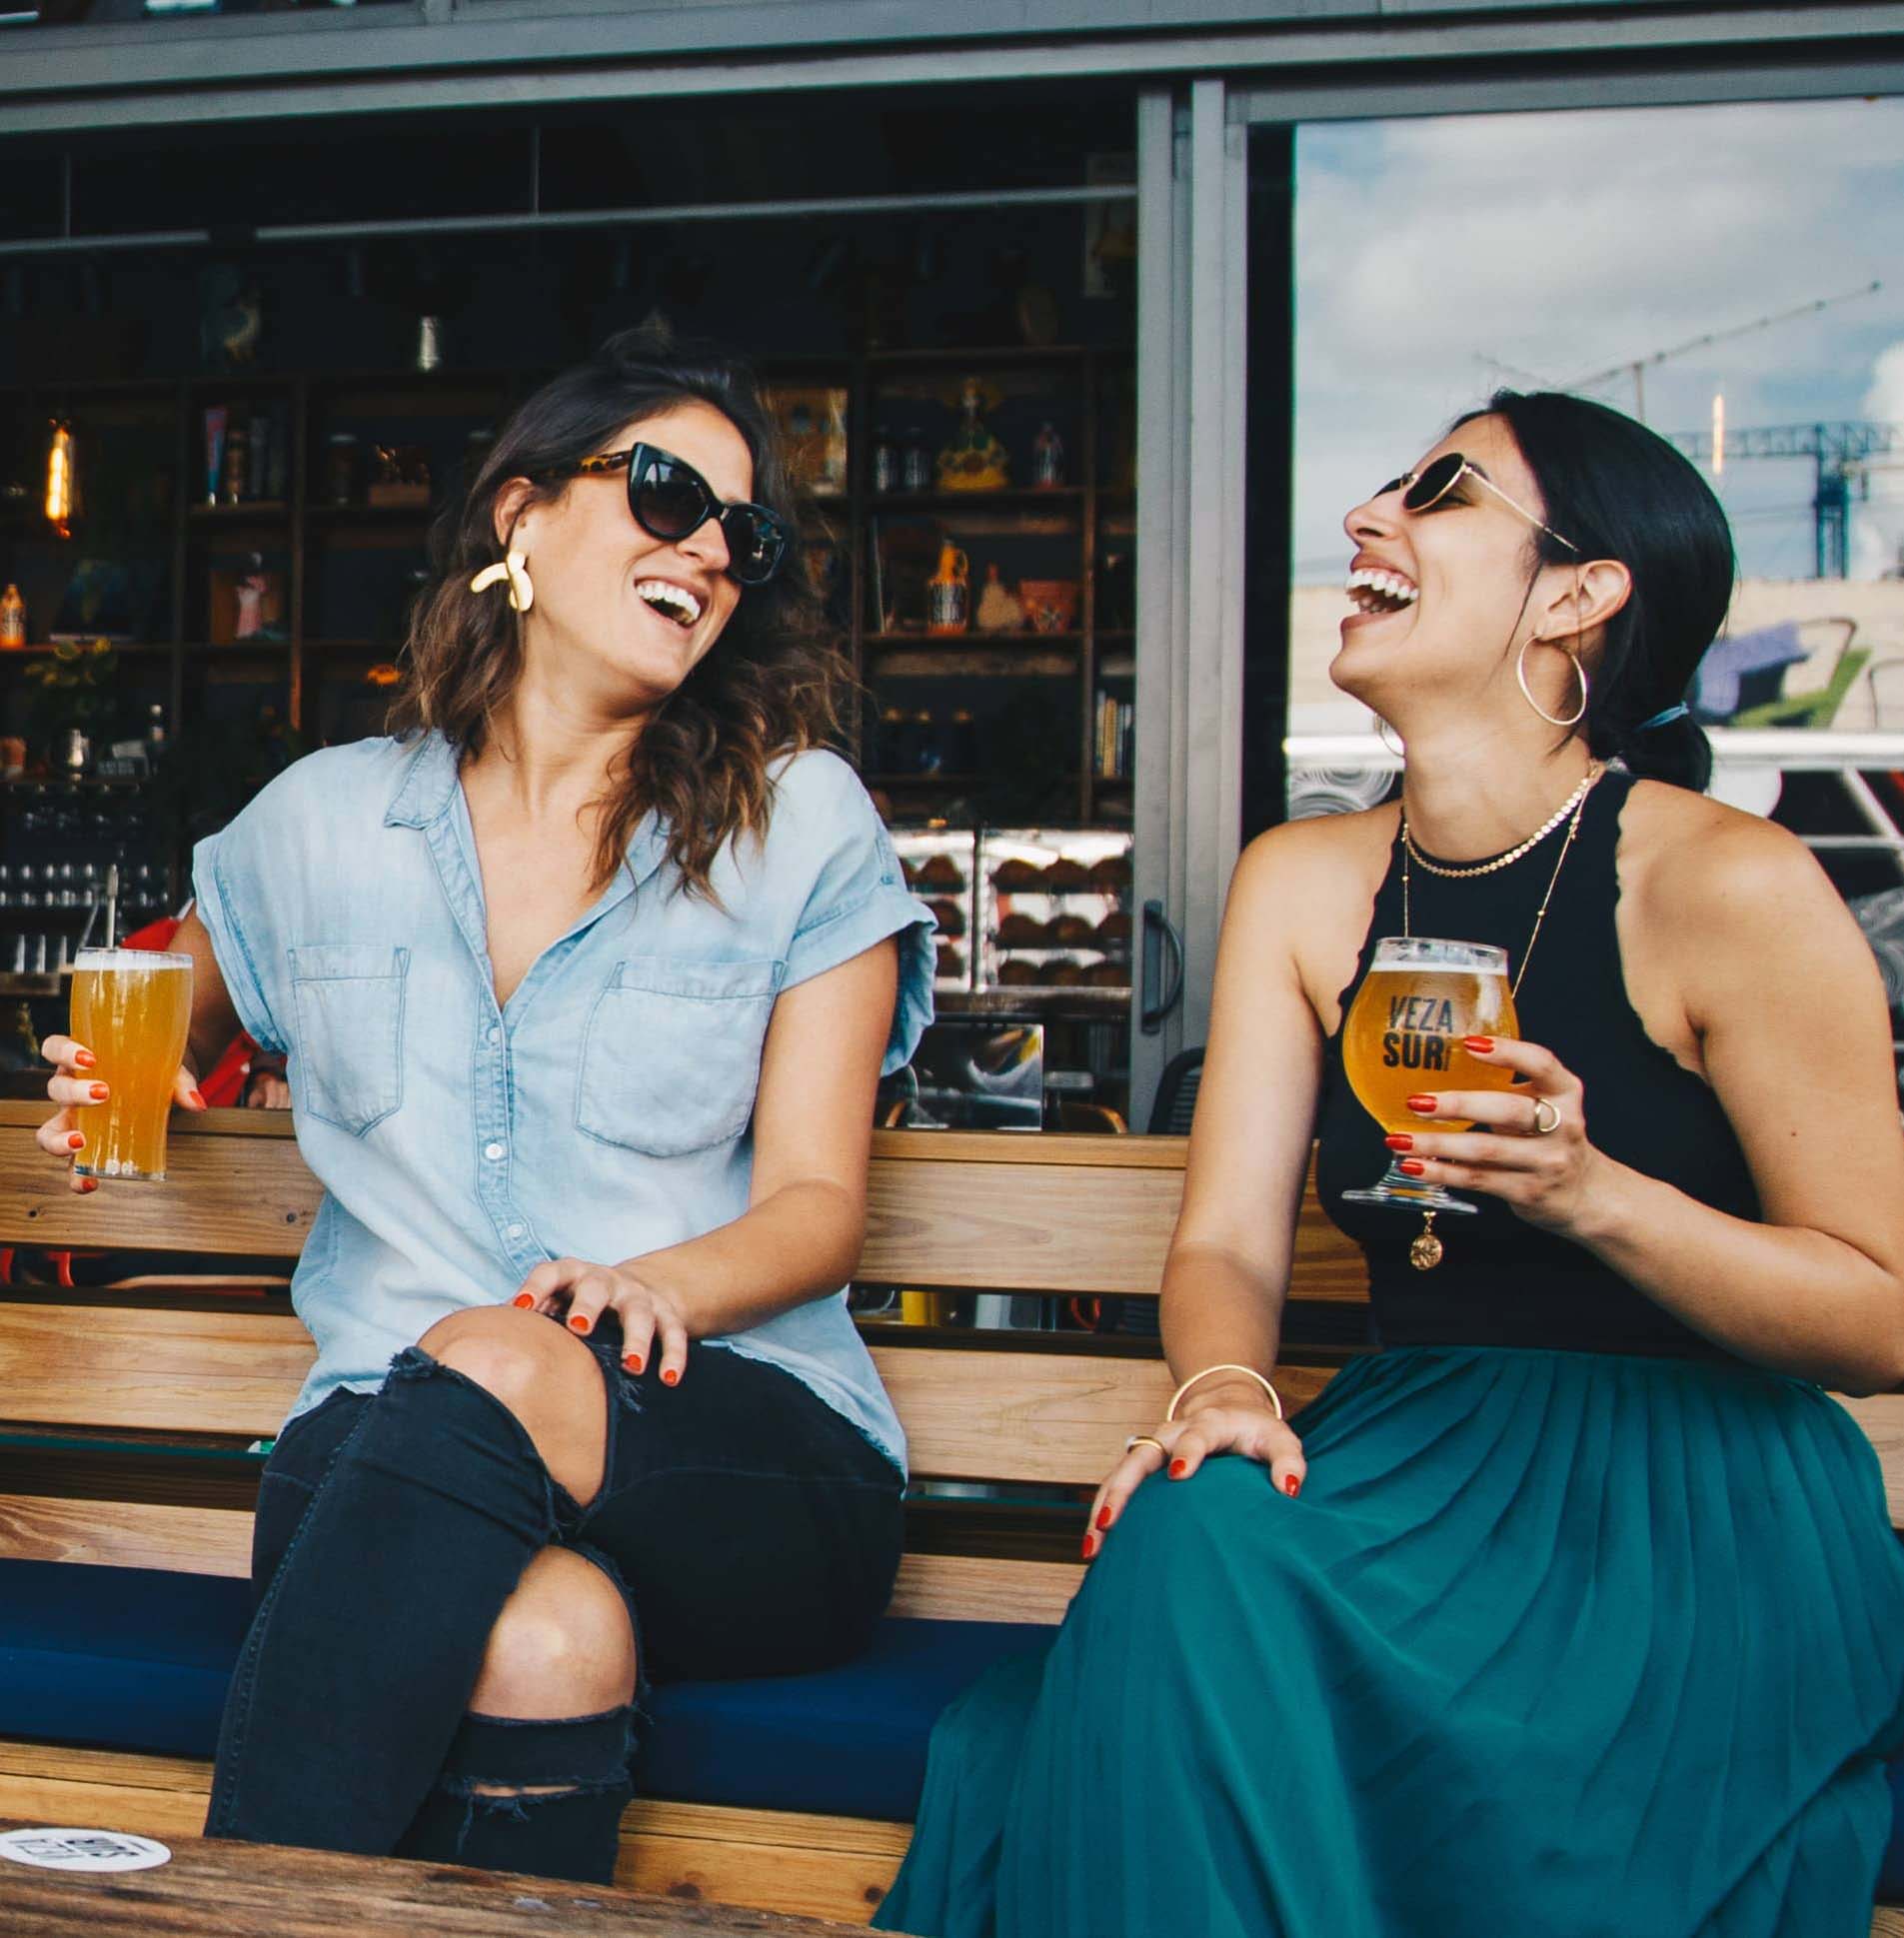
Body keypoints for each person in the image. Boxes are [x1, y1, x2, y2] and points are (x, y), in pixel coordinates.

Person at [876, 391, 1904, 1938]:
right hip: (1411, 1460)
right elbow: (1225, 1244)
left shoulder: (1727, 885)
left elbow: (1883, 1316)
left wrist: (1593, 1195)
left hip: (1686, 1515)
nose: (1367, 517)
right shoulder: (1302, 882)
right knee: (1191, 1526)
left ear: (1574, 596)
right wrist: (1219, 1388)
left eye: (1439, 493)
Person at [37, 329, 935, 1885]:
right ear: (521, 518)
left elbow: (816, 1209)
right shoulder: (320, 823)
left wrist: (648, 1284)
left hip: (729, 1446)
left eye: (745, 533)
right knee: (542, 1636)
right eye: (664, 494)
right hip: (385, 1450)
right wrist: (114, 1064)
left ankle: (227, 1917)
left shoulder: (799, 823)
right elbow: (163, 1001)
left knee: (505, 1352)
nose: (710, 550)